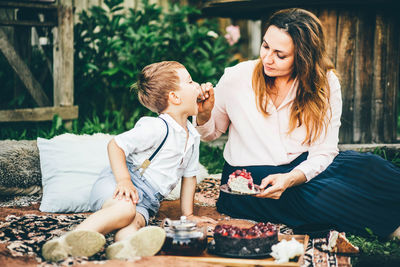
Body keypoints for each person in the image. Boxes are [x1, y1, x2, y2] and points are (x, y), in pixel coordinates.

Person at [196, 8, 400, 238]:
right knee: (328, 195)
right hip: (248, 177)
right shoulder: (236, 77)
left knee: (371, 168)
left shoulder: (325, 82)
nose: (267, 58)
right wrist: (204, 115)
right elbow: (210, 133)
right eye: (265, 46)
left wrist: (292, 177)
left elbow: (324, 151)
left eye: (280, 55)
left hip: (302, 164)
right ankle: (393, 229)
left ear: (303, 57)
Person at [42, 61, 216, 262]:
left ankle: (123, 246)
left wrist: (189, 214)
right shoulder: (157, 128)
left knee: (134, 222)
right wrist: (124, 180)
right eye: (190, 81)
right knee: (125, 209)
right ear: (175, 97)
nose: (197, 86)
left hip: (149, 199)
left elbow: (189, 176)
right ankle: (65, 242)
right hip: (121, 185)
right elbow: (115, 145)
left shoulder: (192, 137)